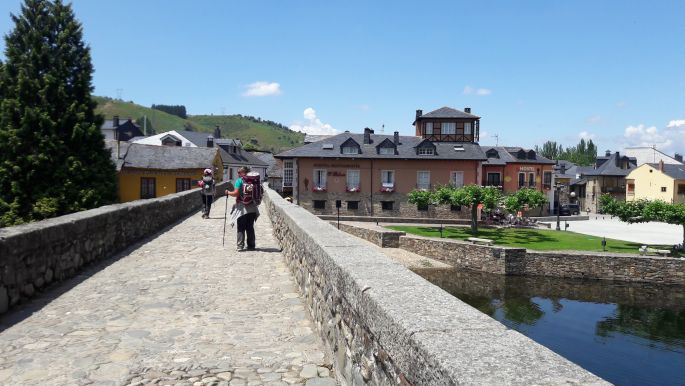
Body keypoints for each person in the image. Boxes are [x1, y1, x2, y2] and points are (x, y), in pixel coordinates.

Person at [225, 166, 259, 251]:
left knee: (241, 226)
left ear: (243, 173)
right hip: (252, 207)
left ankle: (240, 246)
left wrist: (228, 192)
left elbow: (236, 193)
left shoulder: (239, 181)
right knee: (250, 226)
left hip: (241, 207)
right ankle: (251, 246)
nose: (238, 174)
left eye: (239, 172)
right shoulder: (254, 181)